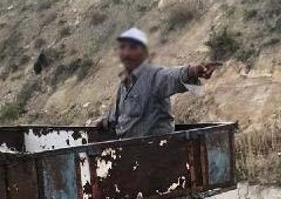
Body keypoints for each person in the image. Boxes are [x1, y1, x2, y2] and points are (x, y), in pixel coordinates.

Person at [88, 27, 222, 139]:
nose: (126, 54)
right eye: (123, 49)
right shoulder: (124, 83)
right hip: (127, 153)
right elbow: (119, 116)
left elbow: (172, 76)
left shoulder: (154, 76)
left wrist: (192, 71)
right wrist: (103, 122)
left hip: (153, 153)